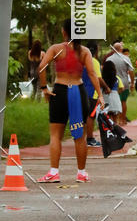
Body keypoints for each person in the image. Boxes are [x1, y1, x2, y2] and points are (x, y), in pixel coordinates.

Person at [37, 19, 105, 183]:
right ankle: (81, 173)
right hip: (78, 92)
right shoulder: (84, 51)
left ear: (64, 32)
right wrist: (100, 95)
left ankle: (54, 172)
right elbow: (91, 73)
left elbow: (41, 67)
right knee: (79, 136)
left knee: (55, 135)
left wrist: (44, 88)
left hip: (60, 91)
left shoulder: (55, 49)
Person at [83, 41, 107, 147]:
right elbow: (98, 78)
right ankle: (90, 138)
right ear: (95, 50)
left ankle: (80, 138)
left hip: (78, 90)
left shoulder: (80, 61)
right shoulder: (94, 62)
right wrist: (106, 88)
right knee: (90, 116)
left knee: (81, 116)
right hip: (91, 92)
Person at [108, 39, 134, 125]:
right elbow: (131, 71)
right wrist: (132, 83)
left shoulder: (109, 59)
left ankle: (116, 120)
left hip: (113, 83)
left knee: (116, 101)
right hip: (125, 82)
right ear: (120, 49)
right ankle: (123, 120)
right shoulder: (126, 58)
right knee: (123, 101)